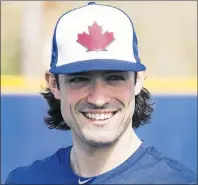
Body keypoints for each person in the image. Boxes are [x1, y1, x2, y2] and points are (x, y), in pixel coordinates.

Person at [6, 2, 197, 184]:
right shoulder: (25, 180)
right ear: (54, 84)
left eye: (114, 78)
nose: (98, 99)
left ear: (138, 80)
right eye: (80, 79)